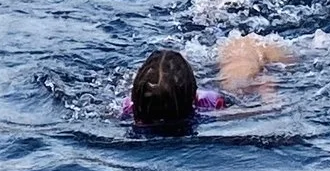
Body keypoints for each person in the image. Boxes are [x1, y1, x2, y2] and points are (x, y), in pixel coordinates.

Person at [124, 36, 295, 133]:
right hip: (216, 97)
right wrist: (267, 92)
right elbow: (263, 110)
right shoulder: (210, 106)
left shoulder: (128, 111)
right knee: (243, 48)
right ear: (194, 96)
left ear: (135, 97)